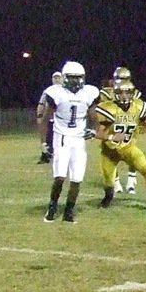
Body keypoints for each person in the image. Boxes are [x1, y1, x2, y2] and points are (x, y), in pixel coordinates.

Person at [92, 80, 146, 212]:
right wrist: (111, 137)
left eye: (128, 93)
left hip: (129, 148)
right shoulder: (109, 109)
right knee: (109, 182)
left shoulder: (138, 107)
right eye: (120, 93)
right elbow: (98, 134)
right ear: (115, 94)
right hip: (110, 151)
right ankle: (108, 197)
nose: (124, 96)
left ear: (133, 94)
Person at [37, 61, 99, 223]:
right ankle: (52, 207)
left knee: (77, 178)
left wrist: (93, 130)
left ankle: (69, 211)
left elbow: (95, 118)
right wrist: (44, 143)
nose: (75, 82)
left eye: (78, 78)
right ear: (65, 78)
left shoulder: (88, 93)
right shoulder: (56, 93)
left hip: (78, 140)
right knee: (59, 176)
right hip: (61, 138)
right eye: (71, 78)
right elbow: (44, 120)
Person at [96, 66, 139, 194]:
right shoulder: (106, 93)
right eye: (120, 79)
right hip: (112, 126)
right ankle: (116, 182)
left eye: (125, 79)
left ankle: (131, 179)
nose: (122, 82)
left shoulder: (134, 92)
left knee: (132, 151)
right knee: (110, 153)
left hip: (127, 124)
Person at [35, 70, 63, 164]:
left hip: (62, 119)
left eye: (58, 77)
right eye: (54, 78)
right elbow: (41, 103)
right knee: (48, 137)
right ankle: (46, 155)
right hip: (50, 118)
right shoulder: (48, 91)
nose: (56, 79)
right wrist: (39, 116)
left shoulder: (65, 90)